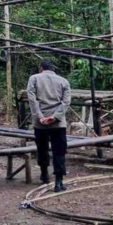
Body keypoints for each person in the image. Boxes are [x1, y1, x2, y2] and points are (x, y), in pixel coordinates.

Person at [27, 60, 71, 192]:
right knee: (59, 151)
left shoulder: (34, 78)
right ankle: (59, 182)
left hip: (40, 124)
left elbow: (31, 99)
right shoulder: (63, 81)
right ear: (53, 69)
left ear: (41, 68)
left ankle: (44, 175)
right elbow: (66, 102)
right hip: (58, 123)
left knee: (42, 149)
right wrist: (55, 117)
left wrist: (40, 116)